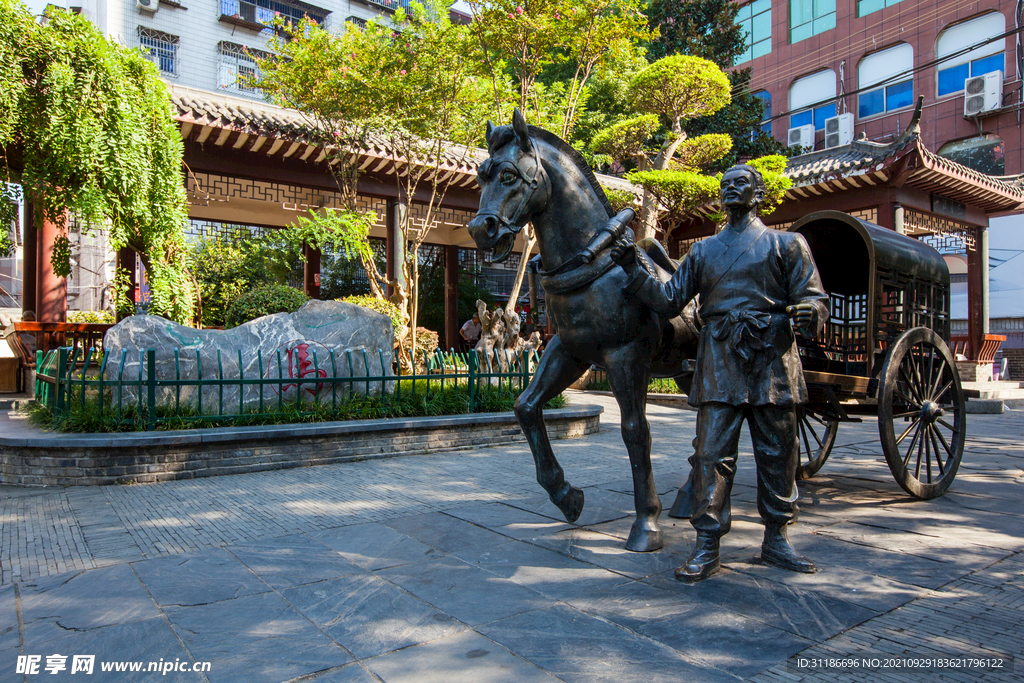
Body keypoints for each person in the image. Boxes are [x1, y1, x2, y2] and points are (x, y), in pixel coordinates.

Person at [611, 164, 829, 583]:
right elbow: (669, 299)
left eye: (740, 182)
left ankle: (778, 537)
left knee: (778, 453)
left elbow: (814, 298)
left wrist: (809, 311)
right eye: (725, 183)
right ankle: (707, 544)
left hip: (772, 358)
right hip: (720, 359)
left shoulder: (788, 245)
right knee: (712, 455)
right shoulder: (704, 251)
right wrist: (631, 264)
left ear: (759, 192)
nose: (730, 187)